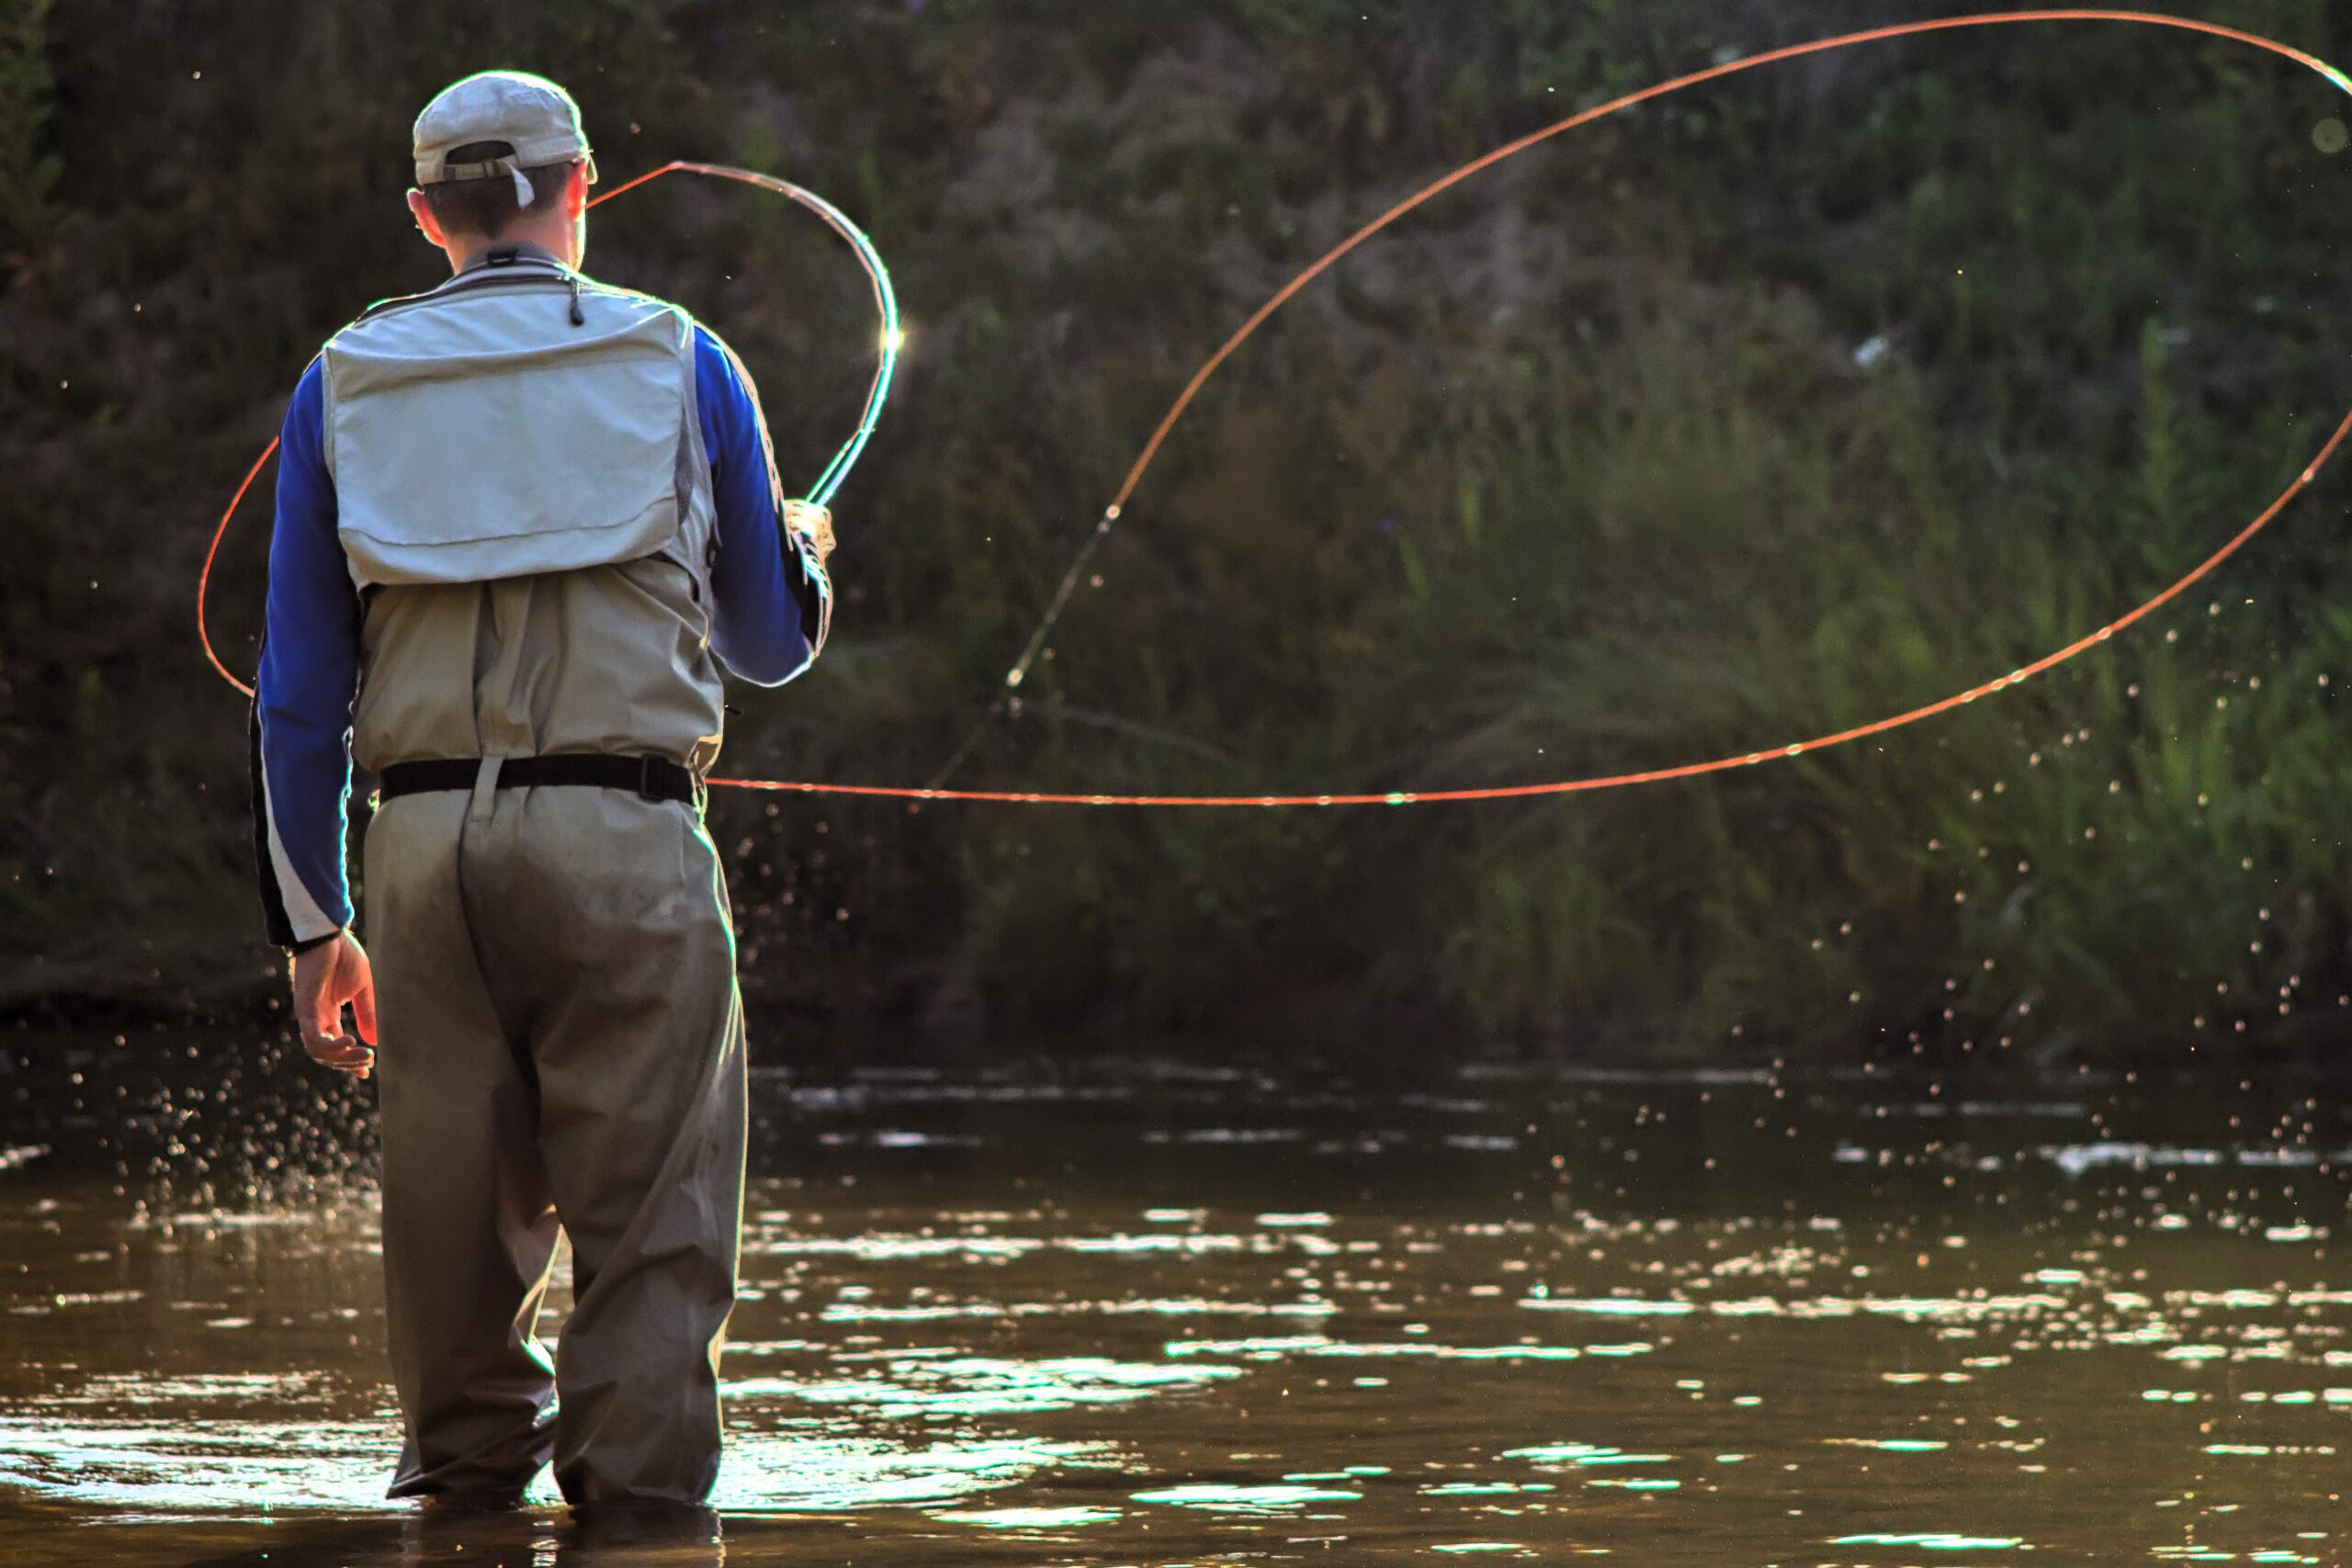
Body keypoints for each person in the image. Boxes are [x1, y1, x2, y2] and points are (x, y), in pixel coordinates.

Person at [249, 69, 833, 1514]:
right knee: (651, 1233)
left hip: (421, 855)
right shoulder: (683, 358)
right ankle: (639, 1524)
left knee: (449, 1242)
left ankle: (459, 1507)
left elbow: (298, 697)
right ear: (582, 188)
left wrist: (315, 923)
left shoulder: (342, 380)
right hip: (625, 838)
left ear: (423, 215)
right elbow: (769, 645)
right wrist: (806, 549)